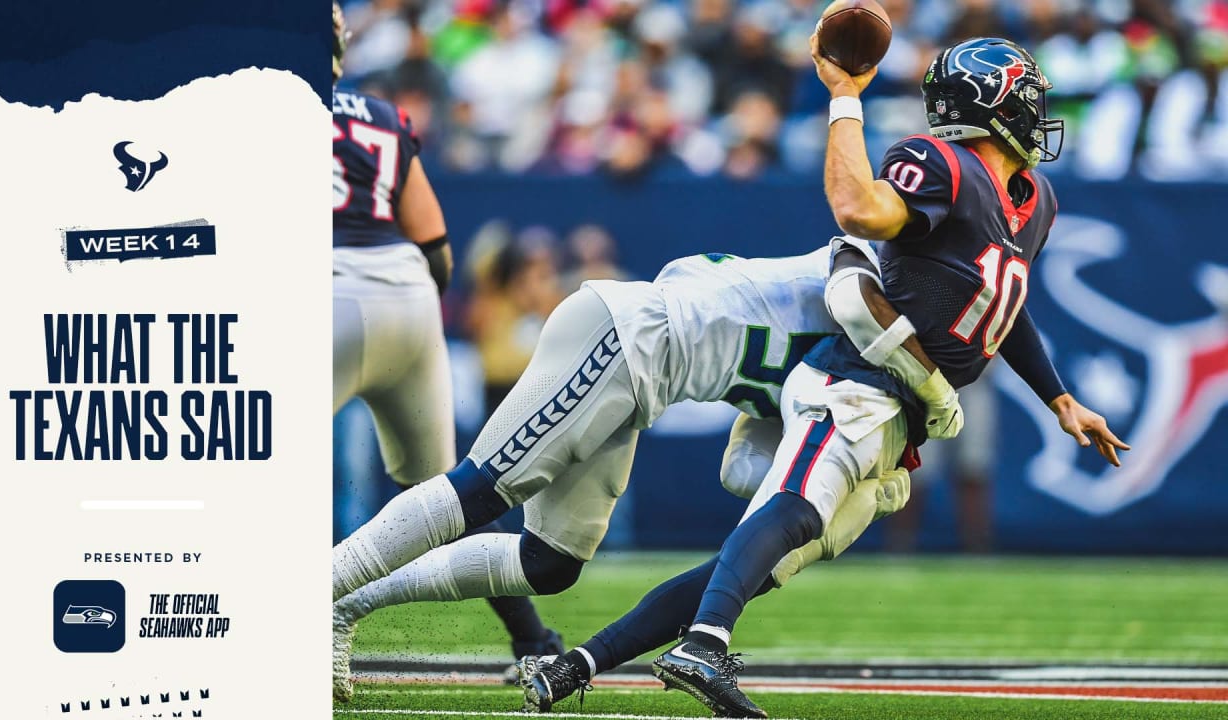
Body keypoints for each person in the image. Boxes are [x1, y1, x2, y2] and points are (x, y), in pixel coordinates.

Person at [521, 37, 1130, 719]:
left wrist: (1060, 399)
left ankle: (576, 664)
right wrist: (846, 98)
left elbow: (1005, 307)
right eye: (1026, 99)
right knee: (793, 512)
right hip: (856, 381)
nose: (1036, 113)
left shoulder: (1036, 199)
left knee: (753, 568)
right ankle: (703, 647)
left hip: (902, 417)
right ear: (989, 109)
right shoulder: (942, 165)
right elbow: (858, 211)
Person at [329, 234, 959, 691]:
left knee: (547, 563)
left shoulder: (835, 382)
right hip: (626, 337)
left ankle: (343, 607)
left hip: (641, 381)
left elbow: (743, 475)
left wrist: (867, 480)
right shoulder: (863, 268)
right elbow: (854, 292)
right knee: (482, 490)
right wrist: (934, 390)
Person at [329, 4, 560, 703]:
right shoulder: (379, 113)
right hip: (404, 292)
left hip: (322, 287)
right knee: (448, 497)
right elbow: (436, 247)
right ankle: (534, 643)